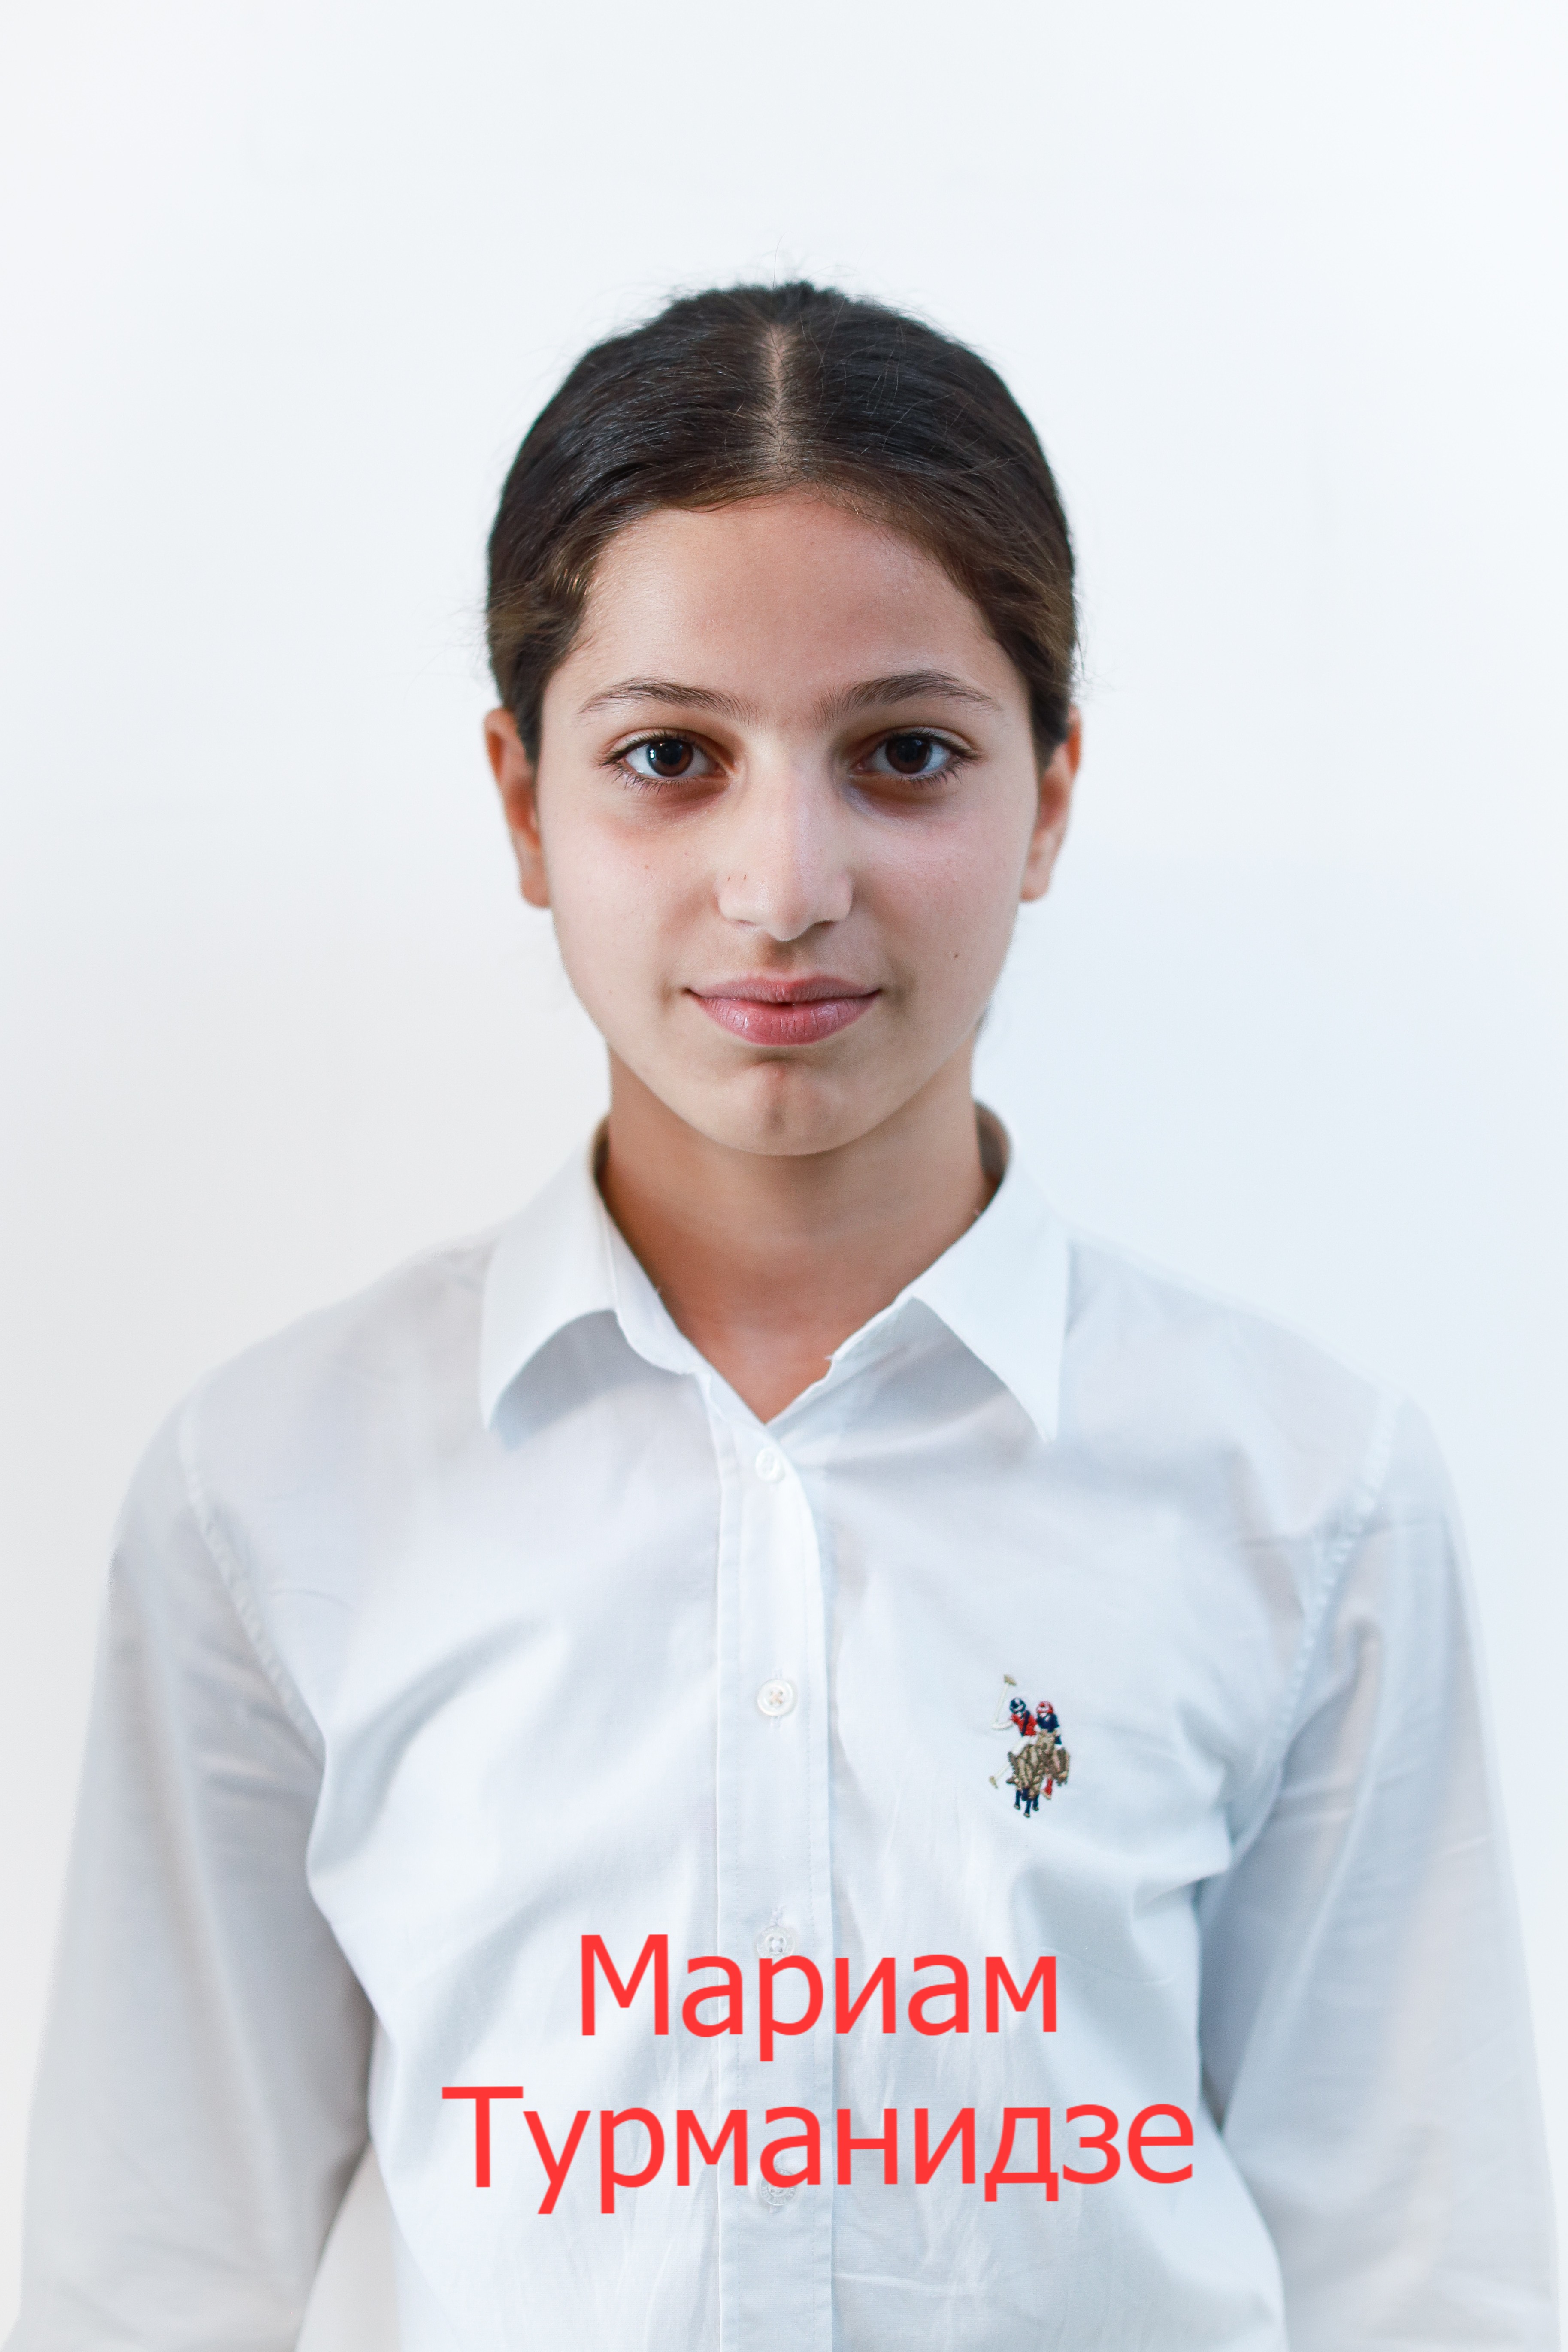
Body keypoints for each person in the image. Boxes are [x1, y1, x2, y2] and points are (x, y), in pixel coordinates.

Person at [9, 283, 1556, 2352]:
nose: (784, 881)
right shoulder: (275, 1489)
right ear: (521, 801)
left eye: (904, 755)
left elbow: (1420, 2281)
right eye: (668, 758)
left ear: (1051, 793)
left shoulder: (1300, 1492)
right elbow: (148, 2277)